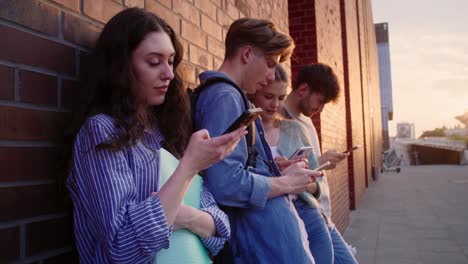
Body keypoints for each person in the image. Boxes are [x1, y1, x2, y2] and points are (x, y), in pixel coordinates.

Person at [65, 8, 246, 263]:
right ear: (122, 66)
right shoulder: (101, 131)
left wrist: (182, 216)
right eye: (153, 62)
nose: (169, 74)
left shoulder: (165, 131)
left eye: (171, 61)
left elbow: (220, 230)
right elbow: (121, 246)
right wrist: (187, 169)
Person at [194, 18, 321, 263]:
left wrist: (272, 171)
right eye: (271, 63)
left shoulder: (232, 96)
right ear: (247, 54)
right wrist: (285, 183)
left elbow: (236, 168)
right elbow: (225, 183)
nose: (272, 75)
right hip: (261, 240)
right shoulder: (225, 97)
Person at [251, 64, 358, 264]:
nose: (275, 105)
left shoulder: (296, 129)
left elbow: (315, 183)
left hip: (313, 213)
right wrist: (280, 176)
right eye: (268, 96)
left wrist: (300, 176)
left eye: (281, 98)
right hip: (279, 220)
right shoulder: (248, 133)